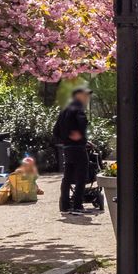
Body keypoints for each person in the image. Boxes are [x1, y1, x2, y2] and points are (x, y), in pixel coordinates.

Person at [53, 87, 93, 218]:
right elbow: (82, 122)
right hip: (78, 147)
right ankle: (77, 206)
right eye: (85, 95)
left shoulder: (64, 110)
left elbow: (55, 130)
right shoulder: (77, 108)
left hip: (67, 147)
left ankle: (65, 206)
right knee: (81, 176)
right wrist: (79, 135)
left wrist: (65, 139)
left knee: (67, 177)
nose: (87, 98)